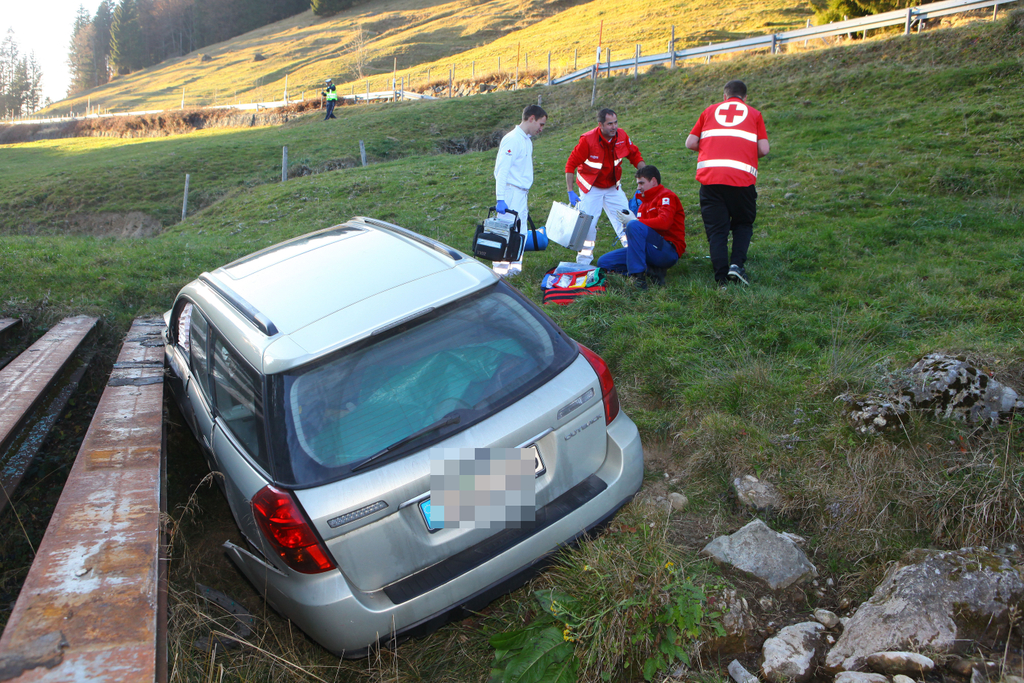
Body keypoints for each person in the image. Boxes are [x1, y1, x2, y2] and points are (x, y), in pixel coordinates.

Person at [685, 80, 769, 288]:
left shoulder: (709, 111)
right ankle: (736, 266)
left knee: (716, 230)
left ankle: (721, 279)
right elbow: (764, 149)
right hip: (741, 180)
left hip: (711, 179)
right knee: (742, 223)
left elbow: (690, 143)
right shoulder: (754, 114)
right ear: (745, 98)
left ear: (724, 96)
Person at [565, 108, 646, 265]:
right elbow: (570, 164)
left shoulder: (622, 136)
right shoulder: (587, 140)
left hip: (612, 187)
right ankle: (583, 263)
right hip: (591, 188)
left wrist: (647, 176)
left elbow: (635, 155)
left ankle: (633, 254)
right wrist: (570, 191)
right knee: (588, 226)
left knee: (627, 219)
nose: (614, 127)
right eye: (610, 124)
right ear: (600, 124)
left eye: (615, 123)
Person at [597, 166, 685, 291]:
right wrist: (629, 226)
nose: (638, 188)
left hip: (667, 251)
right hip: (649, 249)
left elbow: (665, 223)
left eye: (642, 183)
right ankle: (651, 271)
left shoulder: (667, 196)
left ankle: (638, 278)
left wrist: (635, 223)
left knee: (633, 225)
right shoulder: (643, 205)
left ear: (653, 181)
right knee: (604, 262)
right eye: (638, 184)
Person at [492, 104, 547, 277]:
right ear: (531, 118)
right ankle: (500, 273)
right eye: (541, 124)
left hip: (521, 192)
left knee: (520, 231)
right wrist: (501, 198)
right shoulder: (512, 139)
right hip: (510, 192)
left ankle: (515, 270)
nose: (541, 129)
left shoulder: (526, 141)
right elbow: (502, 170)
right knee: (505, 232)